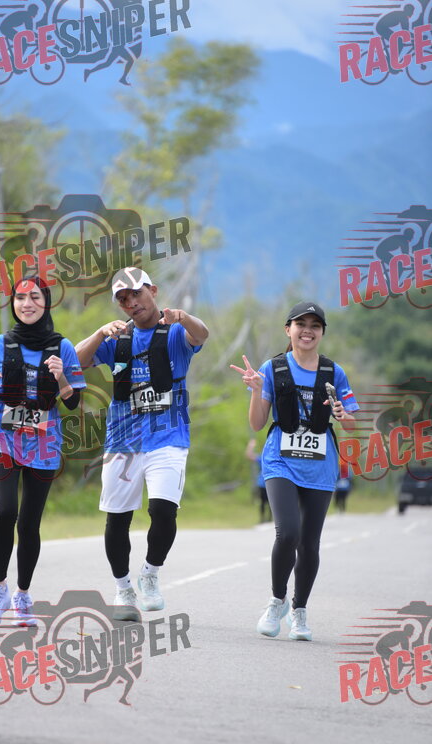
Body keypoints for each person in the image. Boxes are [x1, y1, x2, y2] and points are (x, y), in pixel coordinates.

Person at [75, 267, 208, 620]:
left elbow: (202, 334)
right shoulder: (117, 339)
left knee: (163, 511)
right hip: (123, 441)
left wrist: (183, 316)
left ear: (153, 290)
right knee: (117, 519)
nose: (132, 302)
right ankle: (123, 589)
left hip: (168, 437)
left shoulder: (175, 331)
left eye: (137, 293)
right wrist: (99, 333)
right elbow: (76, 360)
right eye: (123, 299)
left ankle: (150, 573)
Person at [230, 301, 359, 641]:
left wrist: (343, 415)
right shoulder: (273, 368)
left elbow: (351, 421)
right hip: (280, 461)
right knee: (287, 533)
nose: (307, 331)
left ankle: (300, 611)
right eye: (301, 324)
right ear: (288, 329)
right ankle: (277, 601)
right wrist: (256, 391)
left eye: (315, 325)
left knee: (309, 543)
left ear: (322, 333)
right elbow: (257, 424)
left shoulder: (333, 372)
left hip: (320, 465)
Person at [0, 275, 86, 626]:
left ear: (46, 302)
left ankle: (22, 595)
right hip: (4, 436)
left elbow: (73, 402)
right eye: (20, 298)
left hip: (44, 440)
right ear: (13, 303)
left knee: (29, 522)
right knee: (5, 510)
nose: (27, 304)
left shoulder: (62, 347)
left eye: (35, 297)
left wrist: (61, 378)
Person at [245, 439, 270, 522]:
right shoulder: (262, 458)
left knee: (272, 503)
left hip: (273, 483)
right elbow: (249, 455)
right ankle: (262, 519)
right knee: (262, 502)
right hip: (262, 483)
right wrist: (250, 446)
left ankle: (270, 519)